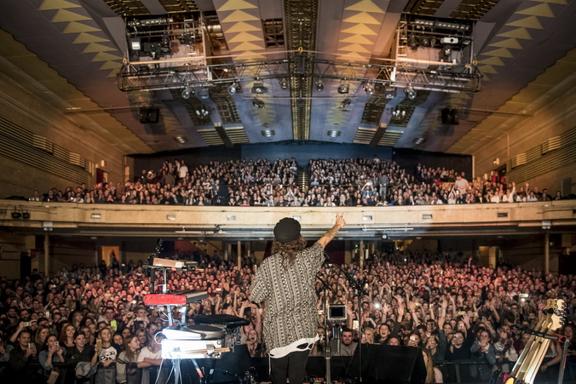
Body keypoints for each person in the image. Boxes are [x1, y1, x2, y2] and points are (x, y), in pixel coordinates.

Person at [250, 214, 346, 384]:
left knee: (278, 377)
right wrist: (337, 225)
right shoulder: (307, 258)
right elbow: (323, 241)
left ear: (277, 241)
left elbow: (255, 296)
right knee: (297, 376)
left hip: (277, 333)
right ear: (299, 238)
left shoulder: (268, 265)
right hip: (302, 330)